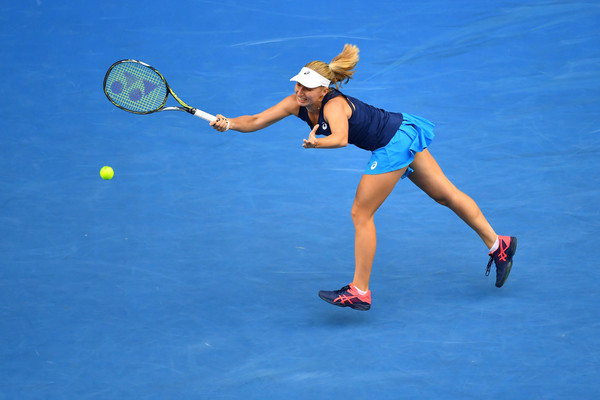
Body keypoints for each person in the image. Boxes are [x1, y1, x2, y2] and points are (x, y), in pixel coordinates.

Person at [210, 44, 517, 311]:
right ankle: (498, 244)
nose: (298, 92)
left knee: (361, 213)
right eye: (298, 86)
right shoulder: (296, 104)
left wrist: (317, 142)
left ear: (325, 89)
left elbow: (341, 138)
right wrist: (230, 124)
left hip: (392, 144)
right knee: (445, 195)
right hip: (400, 131)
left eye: (306, 88)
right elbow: (255, 120)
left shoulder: (336, 105)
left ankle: (359, 291)